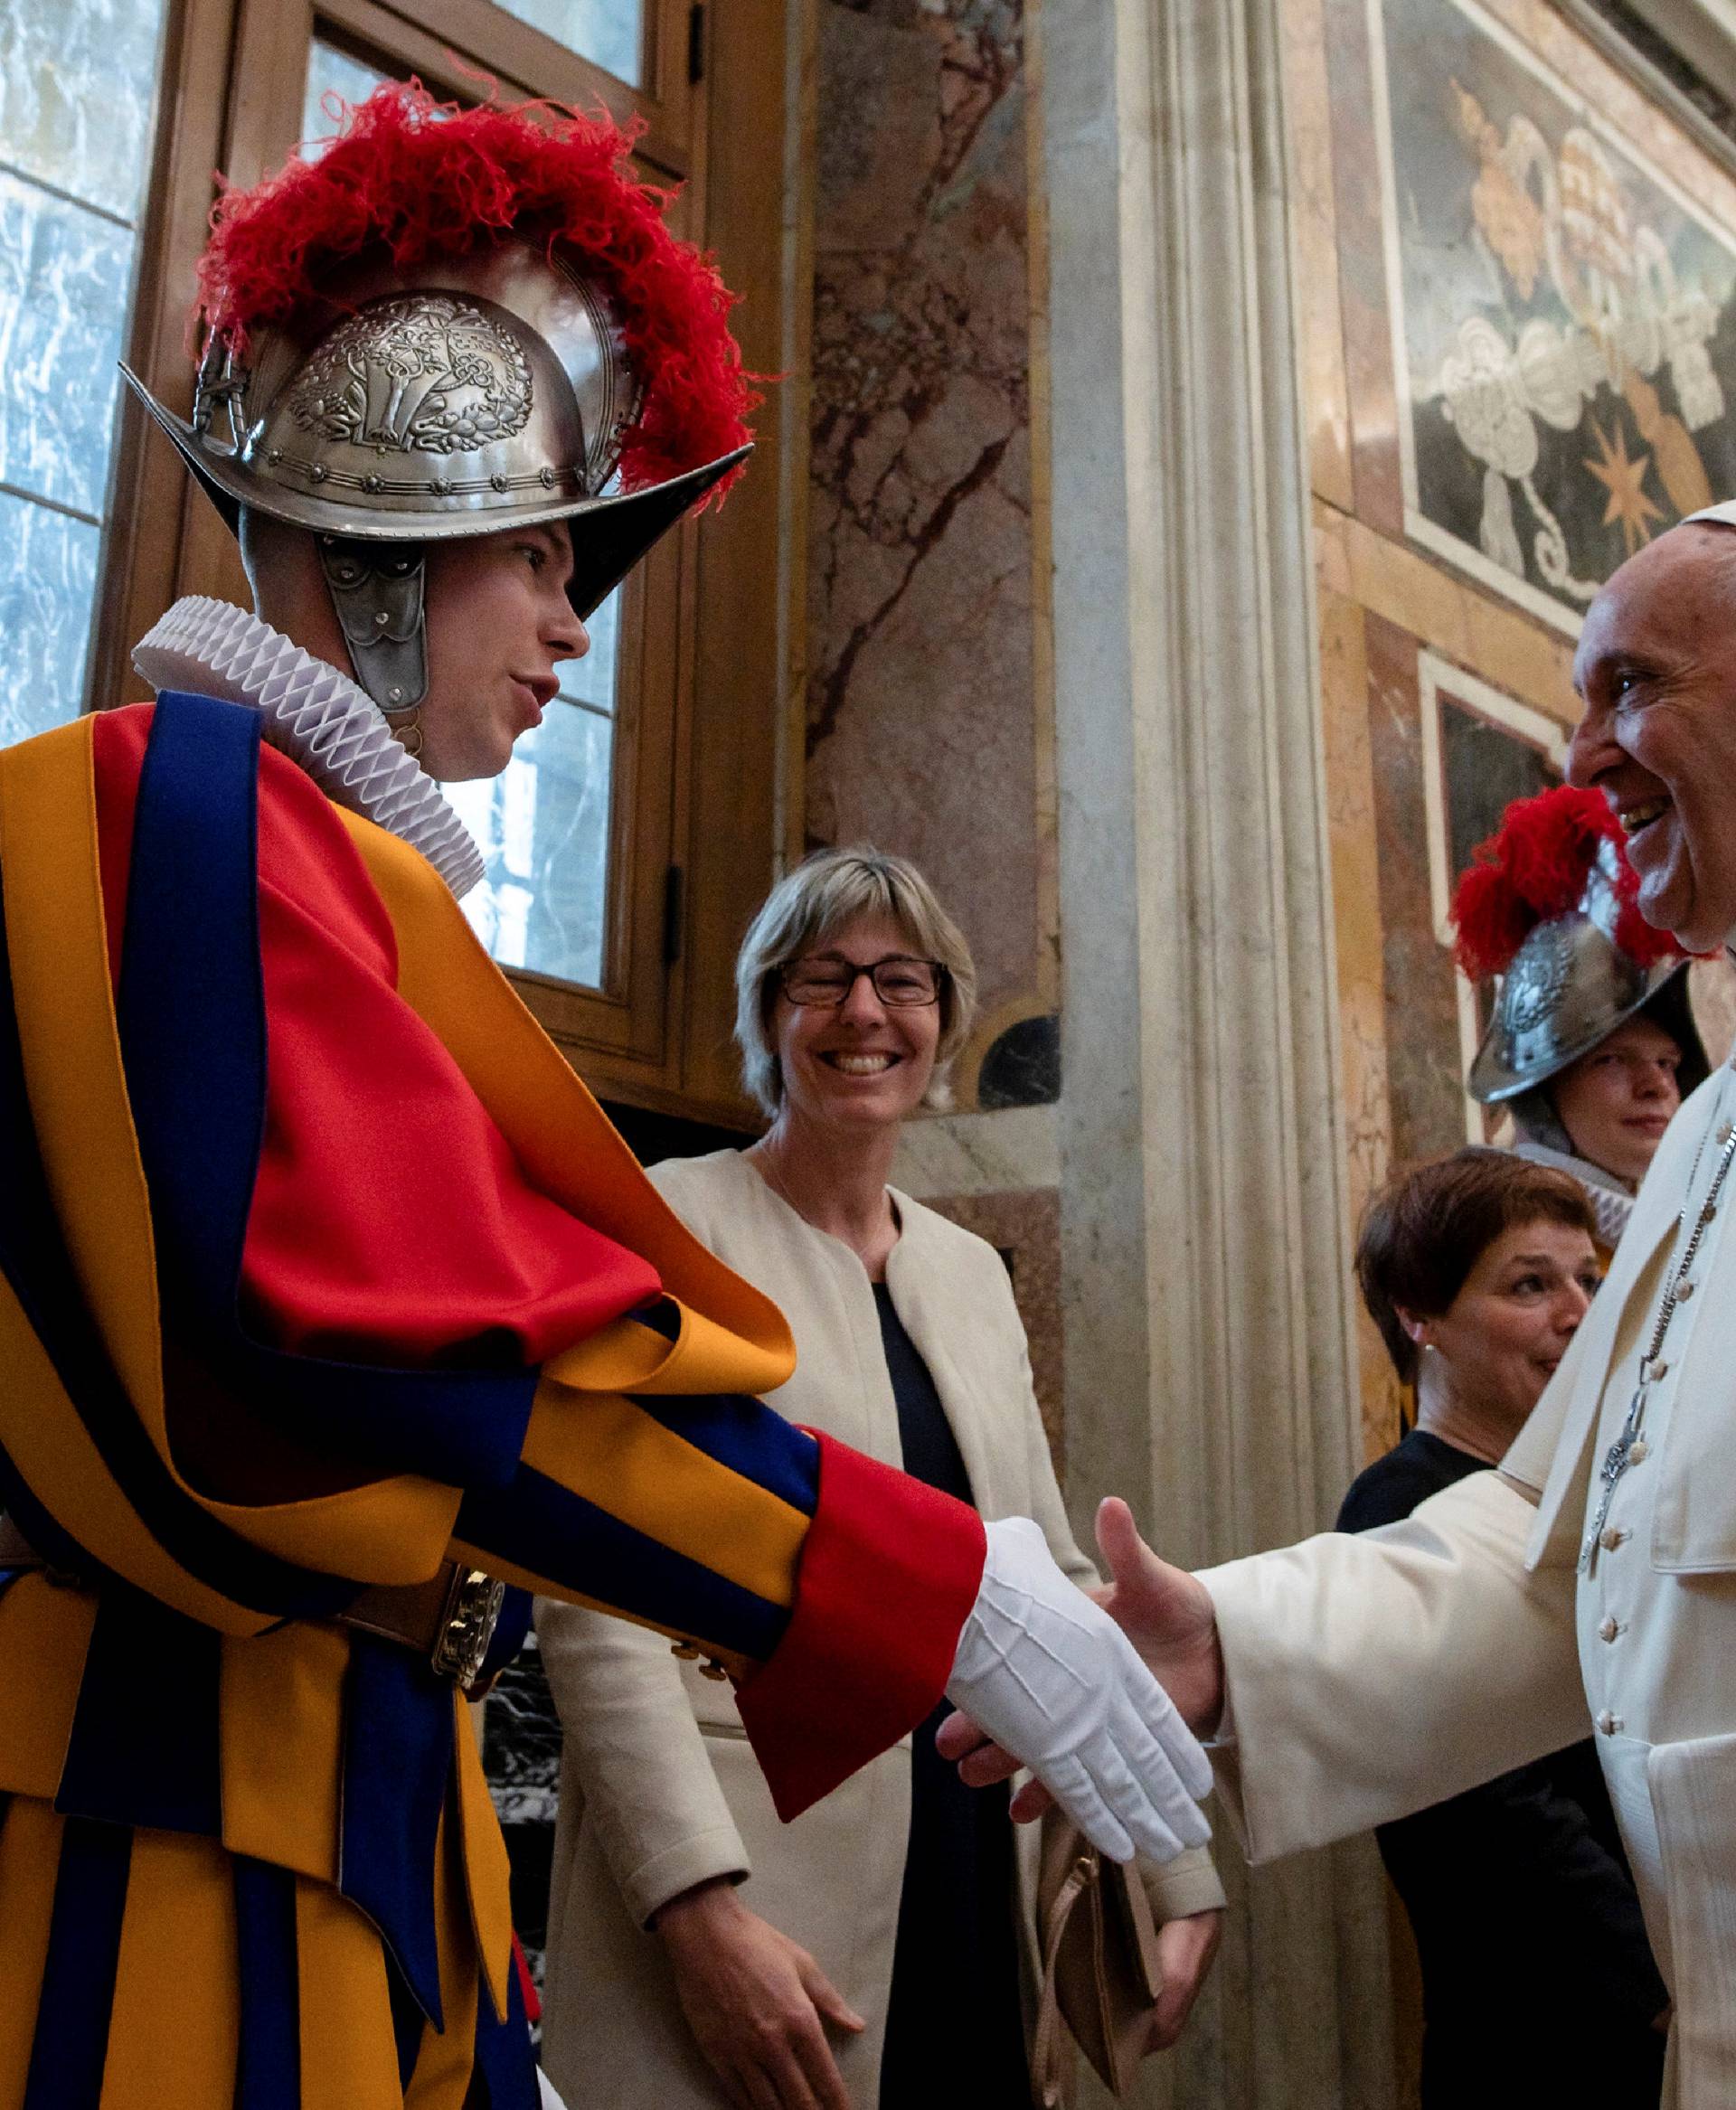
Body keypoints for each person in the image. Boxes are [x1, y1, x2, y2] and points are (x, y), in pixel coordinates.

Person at [0, 86, 1211, 2110]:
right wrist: (937, 1587)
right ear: (394, 501)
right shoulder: (175, 804)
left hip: (358, 1841)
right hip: (173, 1838)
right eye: (548, 554)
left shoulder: (315, 859)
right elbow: (361, 1352)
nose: (575, 624)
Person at [942, 509, 1736, 2108]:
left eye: (1631, 684)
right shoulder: (1714, 1140)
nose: (1584, 753)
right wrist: (1225, 1644)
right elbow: (1557, 1556)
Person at [536, 851, 1226, 2110]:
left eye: (901, 980)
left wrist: (1172, 1856)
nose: (865, 1012)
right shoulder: (665, 1220)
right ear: (766, 1014)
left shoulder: (968, 1271)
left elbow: (1051, 1578)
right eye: (824, 979)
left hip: (966, 1862)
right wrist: (696, 1910)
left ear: (945, 1019)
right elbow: (595, 1594)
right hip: (751, 1866)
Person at [1338, 1149, 1665, 2106]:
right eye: (1532, 1285)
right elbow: (1484, 1811)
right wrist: (1666, 1981)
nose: (1578, 1311)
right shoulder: (1398, 1510)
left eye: (1587, 1280)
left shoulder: (1595, 1491)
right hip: (1549, 2037)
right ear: (1420, 1317)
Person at [1451, 782, 1706, 1251]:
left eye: (1667, 1063)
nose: (1656, 1086)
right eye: (1611, 1060)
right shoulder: (1489, 1240)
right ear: (1541, 1093)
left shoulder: (1667, 1237)